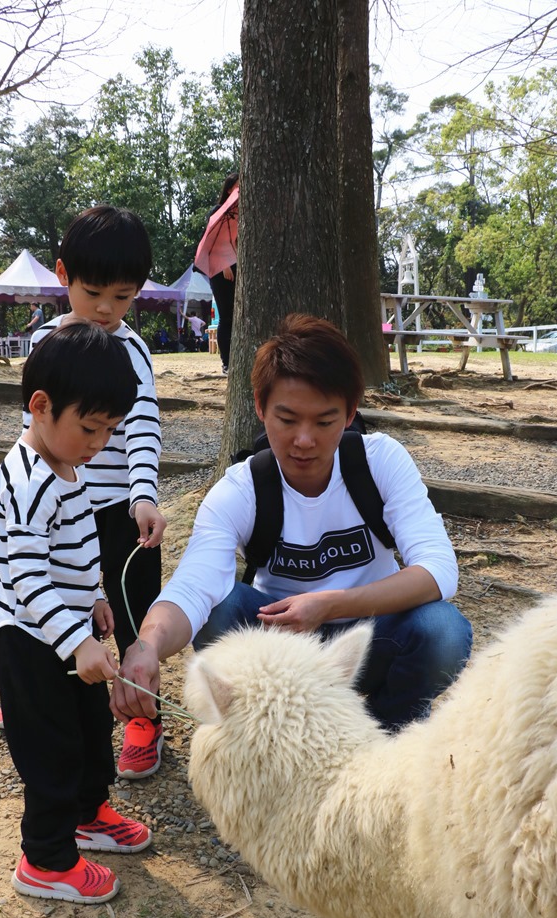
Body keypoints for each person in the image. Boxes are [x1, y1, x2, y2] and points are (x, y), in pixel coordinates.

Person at [112, 314, 473, 736]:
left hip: (368, 635)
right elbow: (194, 584)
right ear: (261, 408)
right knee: (219, 610)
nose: (305, 440)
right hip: (278, 645)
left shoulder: (380, 462)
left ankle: (388, 734)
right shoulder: (242, 488)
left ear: (350, 412)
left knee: (444, 631)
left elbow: (439, 570)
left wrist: (329, 605)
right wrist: (148, 645)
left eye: (324, 422)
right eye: (287, 420)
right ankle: (268, 732)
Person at [0, 322, 153, 905]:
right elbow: (27, 577)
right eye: (90, 427)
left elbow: (75, 552)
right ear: (40, 405)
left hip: (70, 630)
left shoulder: (66, 465)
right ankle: (45, 859)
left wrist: (97, 600)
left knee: (88, 728)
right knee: (50, 750)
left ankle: (87, 815)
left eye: (109, 431)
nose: (98, 444)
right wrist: (76, 642)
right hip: (27, 642)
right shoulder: (28, 479)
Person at [29, 205, 167, 781]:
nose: (107, 310)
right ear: (63, 275)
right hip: (62, 510)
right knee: (63, 607)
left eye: (123, 296)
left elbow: (141, 427)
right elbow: (31, 430)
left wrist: (142, 494)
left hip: (118, 511)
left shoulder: (131, 350)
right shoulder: (45, 345)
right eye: (93, 293)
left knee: (132, 610)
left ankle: (141, 714)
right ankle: (58, 704)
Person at [205, 172, 238, 374]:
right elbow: (212, 241)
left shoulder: (240, 214)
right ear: (229, 189)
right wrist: (225, 264)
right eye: (238, 186)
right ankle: (226, 362)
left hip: (236, 268)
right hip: (220, 269)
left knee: (236, 316)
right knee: (226, 316)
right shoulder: (218, 211)